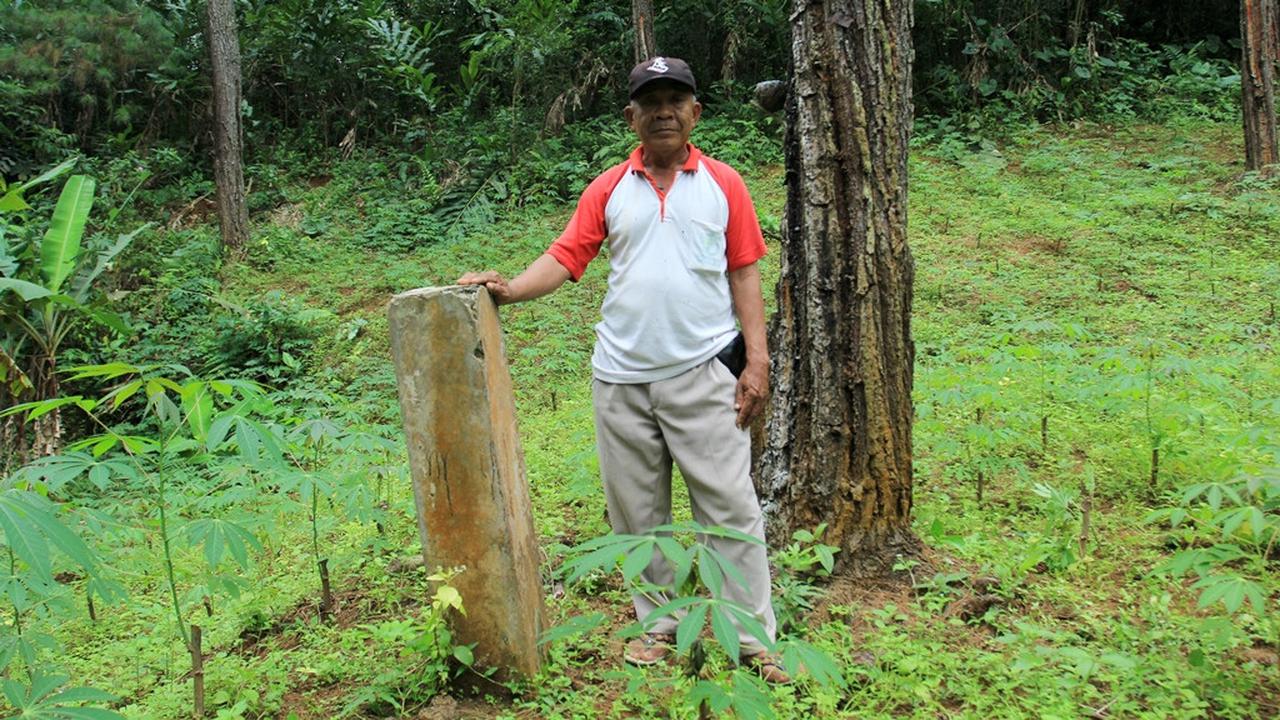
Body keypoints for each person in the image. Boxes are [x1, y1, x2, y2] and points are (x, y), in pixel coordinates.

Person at [458, 56, 788, 684]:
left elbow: (744, 269)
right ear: (631, 117)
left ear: (695, 113)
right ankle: (659, 627)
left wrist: (758, 360)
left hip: (705, 372)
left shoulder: (724, 184)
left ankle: (751, 638)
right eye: (651, 103)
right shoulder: (609, 188)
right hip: (620, 379)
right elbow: (566, 256)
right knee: (638, 517)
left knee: (730, 509)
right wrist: (510, 288)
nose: (664, 112)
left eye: (676, 101)